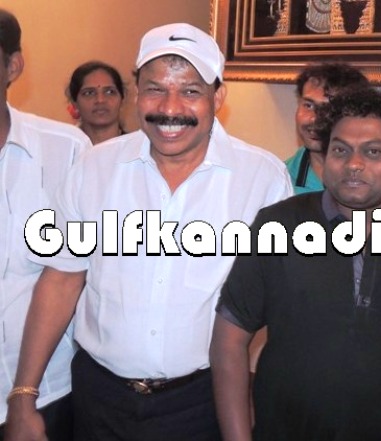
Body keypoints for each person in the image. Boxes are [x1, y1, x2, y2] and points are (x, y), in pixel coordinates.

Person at [6, 22, 292, 441]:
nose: (170, 108)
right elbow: (61, 279)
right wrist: (23, 395)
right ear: (137, 93)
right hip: (99, 398)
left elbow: (269, 306)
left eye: (190, 91)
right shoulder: (94, 167)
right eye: (155, 89)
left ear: (218, 97)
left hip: (204, 401)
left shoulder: (262, 178)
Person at [212, 87, 381, 441]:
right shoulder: (278, 225)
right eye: (340, 150)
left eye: (373, 152)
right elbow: (228, 342)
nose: (354, 164)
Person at [0, 8, 91, 440]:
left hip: (51, 393)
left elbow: (80, 274)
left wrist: (23, 396)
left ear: (13, 66)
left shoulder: (68, 150)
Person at [285, 62, 369, 194]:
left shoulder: (380, 178)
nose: (314, 119)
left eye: (329, 109)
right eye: (308, 106)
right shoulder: (281, 179)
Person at [66, 60, 126, 144]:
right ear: (74, 103)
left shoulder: (139, 148)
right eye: (89, 93)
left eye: (109, 92)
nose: (100, 100)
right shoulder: (64, 150)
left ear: (122, 99)